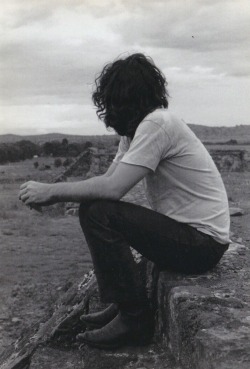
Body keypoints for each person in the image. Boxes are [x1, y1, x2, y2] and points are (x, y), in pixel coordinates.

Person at [19, 53, 230, 349]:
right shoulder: (136, 132)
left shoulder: (158, 124)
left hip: (202, 245)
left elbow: (112, 189)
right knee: (94, 207)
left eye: (111, 102)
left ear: (126, 98)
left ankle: (135, 320)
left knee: (99, 213)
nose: (108, 112)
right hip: (193, 239)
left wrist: (52, 191)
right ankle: (123, 304)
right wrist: (59, 191)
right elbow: (104, 183)